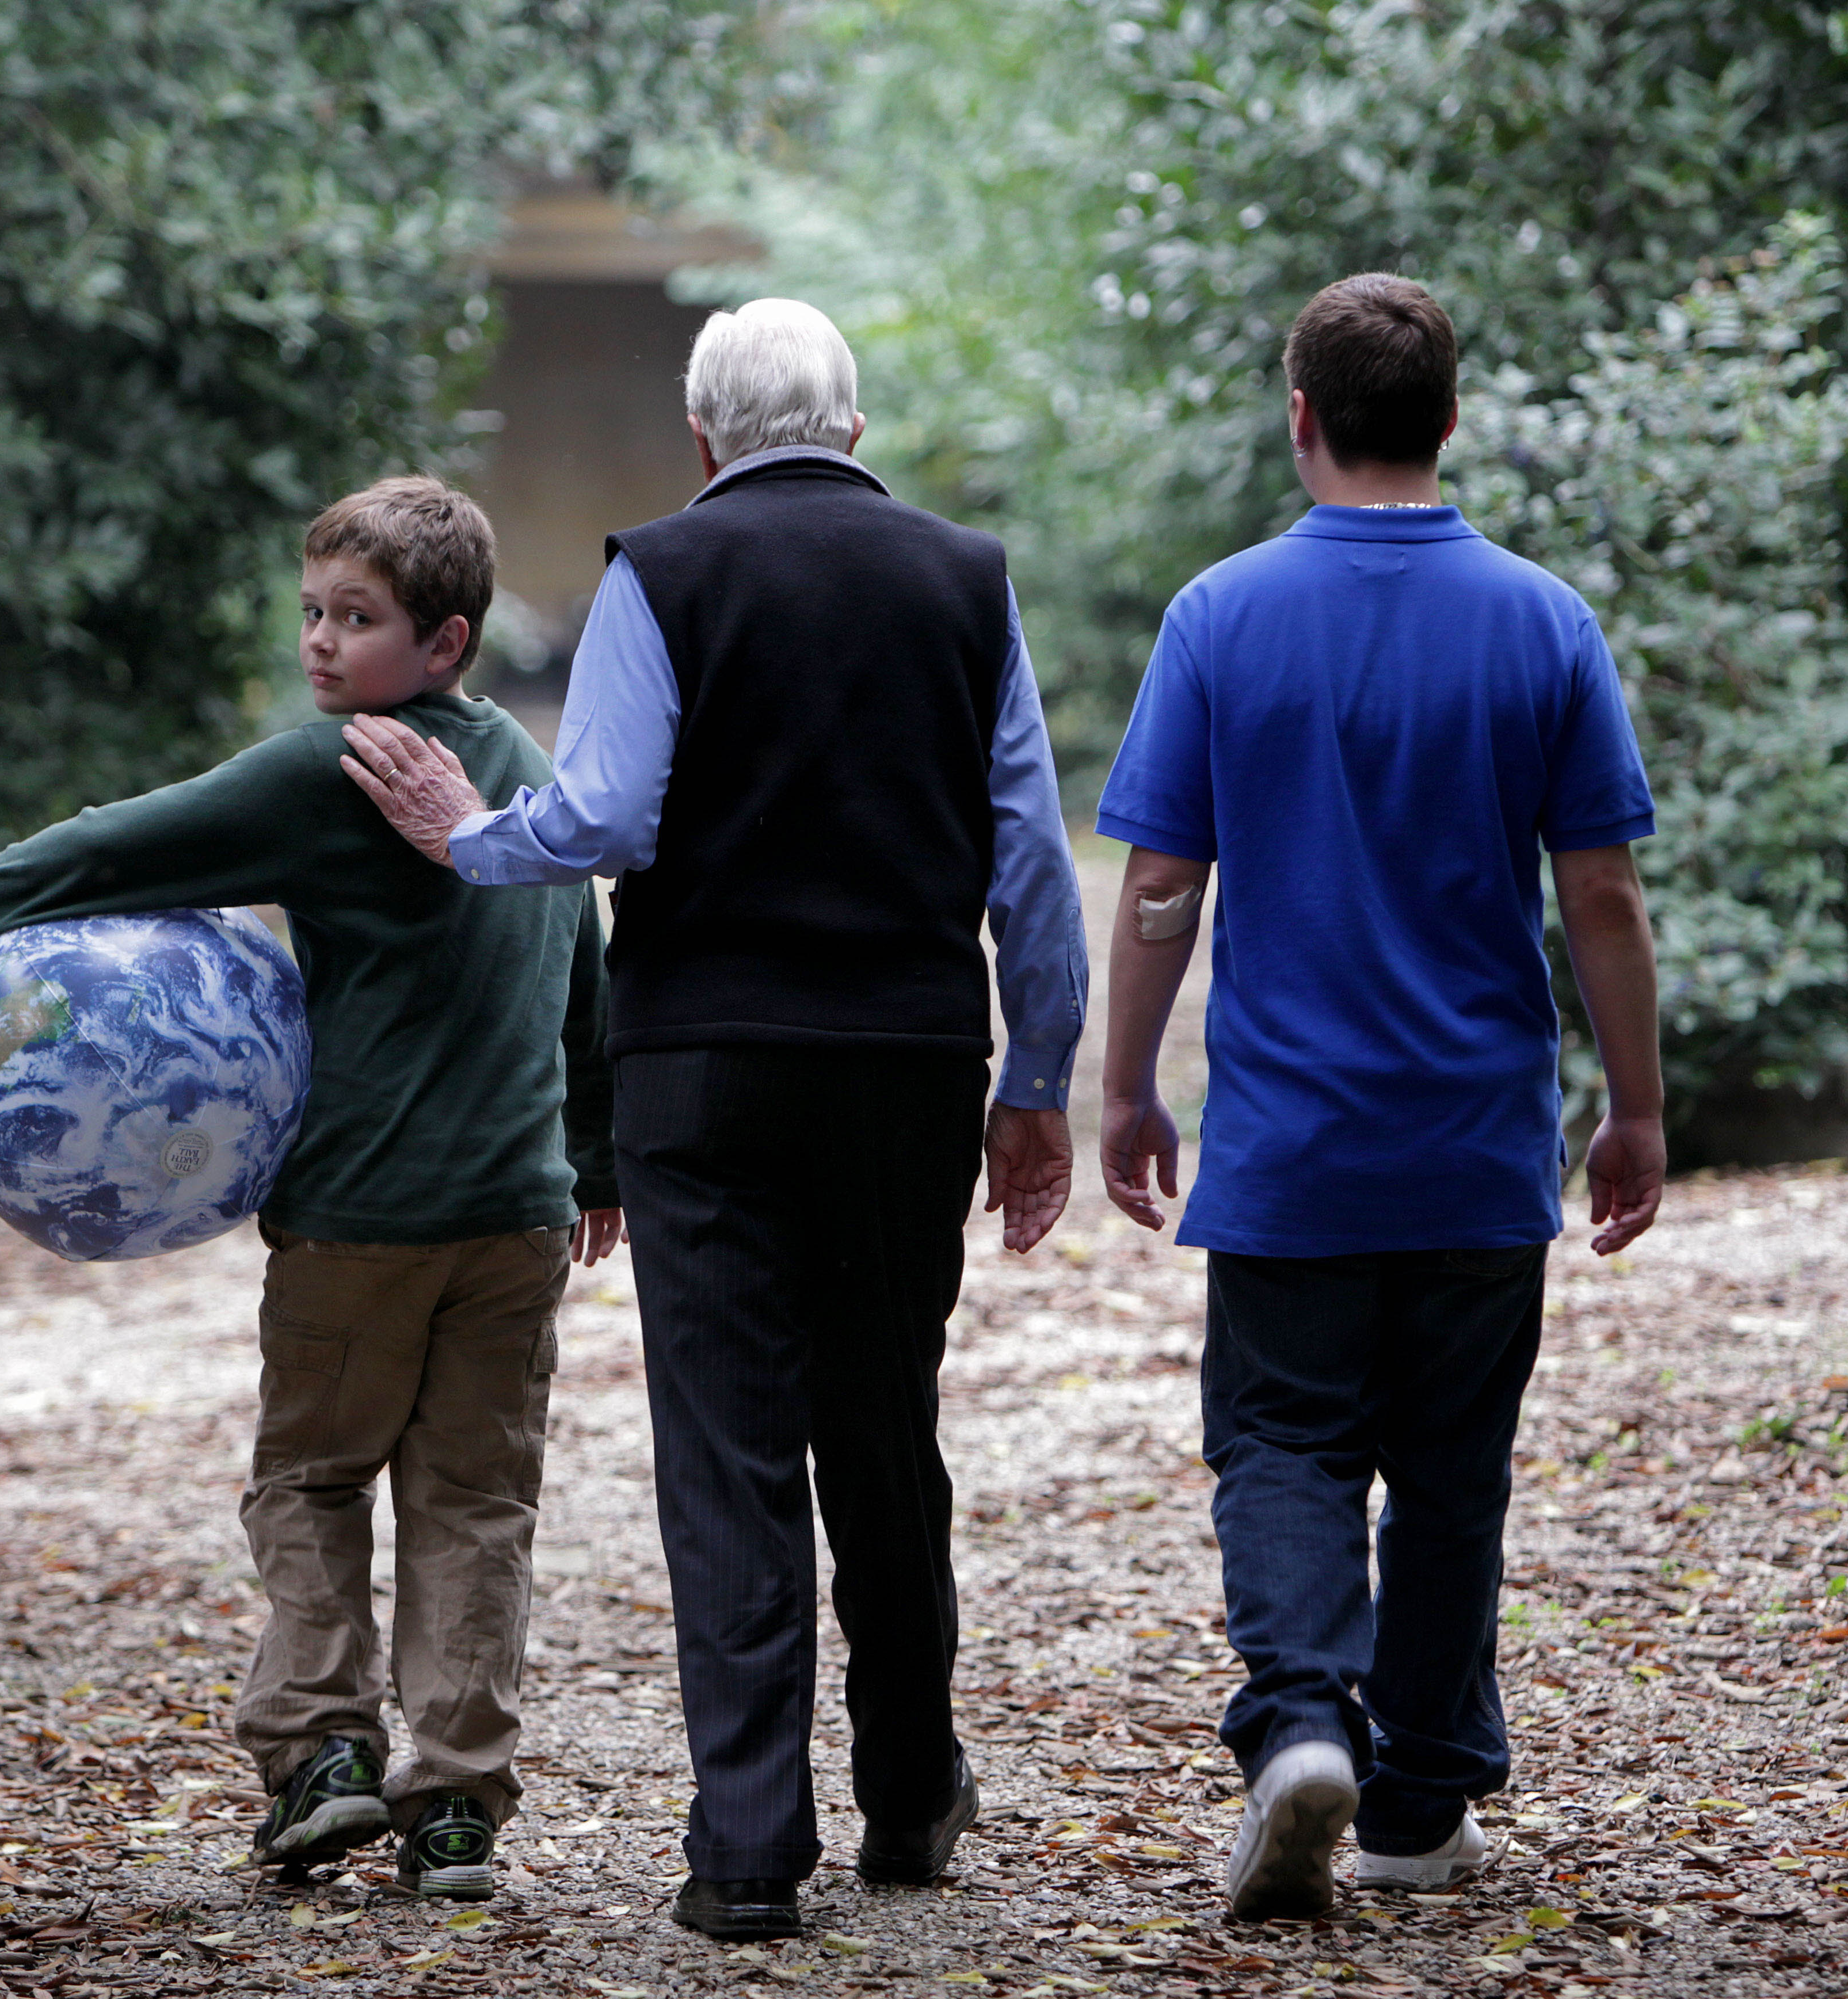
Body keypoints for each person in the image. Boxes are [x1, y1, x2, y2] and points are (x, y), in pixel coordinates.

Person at [337, 299, 1089, 1941]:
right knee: (885, 1426)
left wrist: (471, 832)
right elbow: (1025, 851)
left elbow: (608, 813)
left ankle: (748, 1849)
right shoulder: (967, 581)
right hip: (904, 1061)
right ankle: (908, 1798)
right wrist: (1035, 1082)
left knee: (731, 1445)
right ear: (856, 431)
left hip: (703, 1069)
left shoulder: (657, 573)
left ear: (701, 441)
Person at [0, 476, 622, 1903]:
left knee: (310, 1478)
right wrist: (598, 1158)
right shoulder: (529, 779)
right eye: (312, 612)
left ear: (446, 640)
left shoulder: (334, 771)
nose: (320, 644)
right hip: (517, 1221)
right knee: (478, 1501)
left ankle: (321, 1759)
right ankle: (459, 1807)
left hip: (361, 1219)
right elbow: (586, 971)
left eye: (357, 620)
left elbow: (130, 839)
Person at [1094, 274, 1664, 1922]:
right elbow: (1602, 899)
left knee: (1280, 1438)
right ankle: (1417, 1798)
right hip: (1477, 1144)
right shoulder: (1542, 621)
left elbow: (1157, 883)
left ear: (1298, 422)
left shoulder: (1219, 616)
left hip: (1289, 1149)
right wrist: (1631, 1107)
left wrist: (1126, 1086)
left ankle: (1293, 1725)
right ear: (1448, 422)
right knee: (1450, 1464)